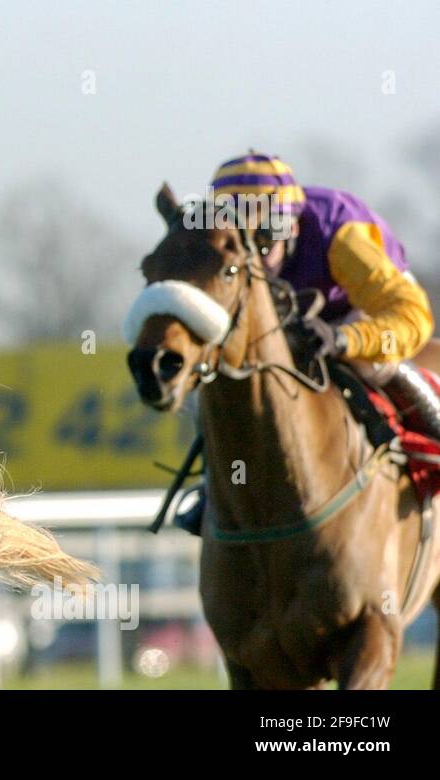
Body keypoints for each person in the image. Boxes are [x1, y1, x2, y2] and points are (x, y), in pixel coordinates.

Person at [176, 152, 439, 534]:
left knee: (374, 363)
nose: (253, 258)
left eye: (264, 241)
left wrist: (344, 338)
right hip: (286, 322)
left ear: (292, 228)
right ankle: (216, 488)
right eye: (238, 244)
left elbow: (411, 317)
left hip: (353, 312)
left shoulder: (340, 231)